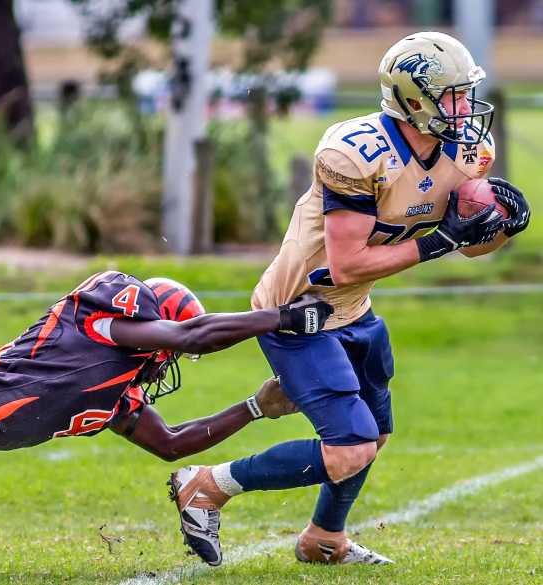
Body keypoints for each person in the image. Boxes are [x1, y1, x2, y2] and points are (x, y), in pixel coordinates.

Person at [169, 31, 531, 567]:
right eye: (452, 94)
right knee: (350, 447)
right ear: (412, 100)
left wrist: (497, 228)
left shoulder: (466, 150)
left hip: (354, 309)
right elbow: (347, 264)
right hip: (298, 309)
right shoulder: (356, 154)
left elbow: (469, 246)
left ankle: (324, 540)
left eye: (464, 92)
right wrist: (442, 240)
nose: (464, 106)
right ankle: (206, 486)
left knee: (374, 436)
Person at [0, 270, 333, 487]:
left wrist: (252, 408)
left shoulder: (117, 395)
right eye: (166, 349)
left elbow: (172, 442)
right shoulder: (108, 324)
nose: (165, 363)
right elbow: (193, 336)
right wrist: (283, 318)